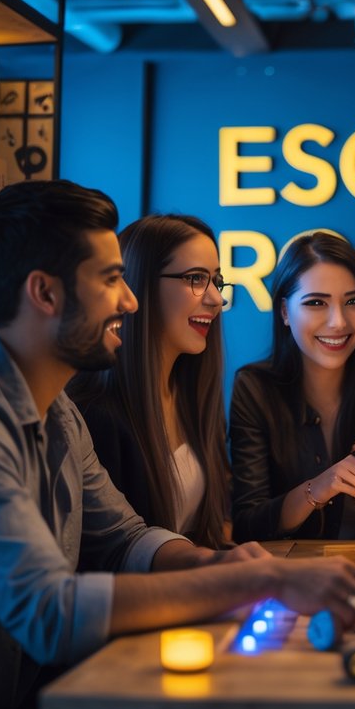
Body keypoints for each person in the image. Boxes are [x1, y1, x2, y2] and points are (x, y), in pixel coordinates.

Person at [0, 181, 355, 709]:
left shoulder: (55, 408)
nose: (130, 302)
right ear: (45, 293)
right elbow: (50, 613)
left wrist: (230, 564)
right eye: (111, 280)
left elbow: (128, 539)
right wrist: (252, 585)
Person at [229, 232, 355, 541]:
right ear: (285, 312)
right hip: (286, 580)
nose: (339, 322)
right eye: (316, 302)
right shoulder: (254, 388)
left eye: (353, 302)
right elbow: (248, 525)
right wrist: (319, 487)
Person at [69, 214, 231, 548]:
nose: (216, 299)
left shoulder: (195, 399)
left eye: (217, 281)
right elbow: (107, 557)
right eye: (196, 279)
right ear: (140, 284)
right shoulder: (93, 413)